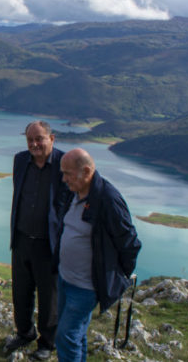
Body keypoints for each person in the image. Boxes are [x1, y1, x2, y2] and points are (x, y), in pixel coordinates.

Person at [55, 148, 141, 362]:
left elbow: (129, 243)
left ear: (86, 171)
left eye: (67, 173)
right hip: (65, 279)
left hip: (85, 286)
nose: (63, 179)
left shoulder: (108, 199)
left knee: (65, 336)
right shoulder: (75, 191)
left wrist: (115, 277)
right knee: (77, 334)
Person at [5, 121, 71, 360]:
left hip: (48, 244)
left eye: (39, 139)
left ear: (52, 138)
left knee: (49, 297)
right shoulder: (20, 160)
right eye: (30, 139)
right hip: (22, 239)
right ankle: (25, 333)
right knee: (20, 292)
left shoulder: (65, 164)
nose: (34, 144)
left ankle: (47, 342)